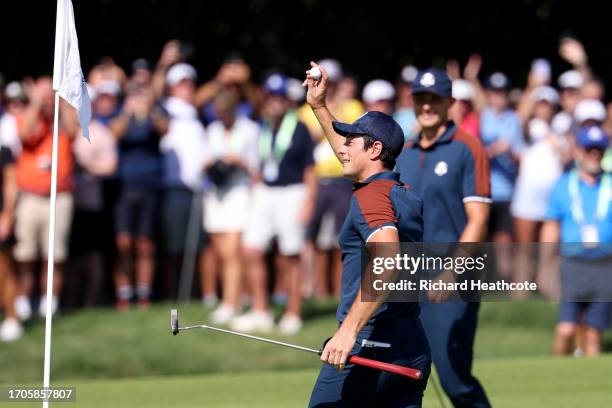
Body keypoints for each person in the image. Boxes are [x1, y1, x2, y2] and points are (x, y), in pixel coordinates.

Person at [304, 62, 430, 407]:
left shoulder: (371, 196)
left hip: (370, 345)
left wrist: (347, 332)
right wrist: (319, 106)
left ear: (374, 151)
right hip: (411, 346)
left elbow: (387, 260)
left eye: (351, 142)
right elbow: (352, 161)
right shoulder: (401, 192)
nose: (342, 148)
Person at [395, 68, 492, 407]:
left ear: (450, 102)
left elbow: (478, 221)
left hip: (452, 276)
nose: (426, 106)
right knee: (400, 374)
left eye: (434, 98)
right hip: (407, 277)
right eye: (420, 98)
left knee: (452, 376)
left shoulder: (468, 148)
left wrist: (451, 272)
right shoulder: (403, 152)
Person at [232, 74, 316, 335]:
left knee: (290, 255)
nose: (275, 101)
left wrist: (308, 202)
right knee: (251, 249)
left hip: (293, 193)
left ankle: (293, 312)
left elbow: (310, 170)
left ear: (287, 100)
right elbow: (262, 161)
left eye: (280, 97)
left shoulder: (299, 128)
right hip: (266, 192)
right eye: (271, 96)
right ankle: (261, 311)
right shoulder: (264, 126)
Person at [541, 125, 611, 356]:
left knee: (593, 332)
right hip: (573, 265)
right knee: (566, 330)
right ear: (578, 151)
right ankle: (552, 377)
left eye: (598, 150)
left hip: (605, 265)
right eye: (589, 149)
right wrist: (545, 266)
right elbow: (551, 227)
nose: (594, 155)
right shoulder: (563, 185)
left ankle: (589, 387)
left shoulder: (609, 184)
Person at [13, 77, 77, 319]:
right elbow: (25, 134)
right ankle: (22, 301)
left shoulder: (62, 121)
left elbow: (73, 130)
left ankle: (49, 303)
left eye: (50, 95)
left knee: (55, 255)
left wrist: (61, 100)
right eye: (44, 95)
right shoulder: (27, 117)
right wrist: (36, 104)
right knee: (26, 254)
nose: (47, 100)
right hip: (30, 197)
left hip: (59, 197)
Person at [109, 82, 168, 310]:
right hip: (125, 187)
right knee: (123, 242)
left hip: (150, 187)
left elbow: (165, 130)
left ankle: (144, 293)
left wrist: (151, 109)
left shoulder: (155, 115)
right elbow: (114, 133)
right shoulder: (122, 115)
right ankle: (124, 292)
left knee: (145, 243)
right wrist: (128, 111)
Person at [204, 90, 260, 324]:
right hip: (216, 191)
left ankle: (231, 303)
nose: (223, 116)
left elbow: (256, 166)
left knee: (232, 252)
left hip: (239, 191)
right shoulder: (213, 130)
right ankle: (232, 297)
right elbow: (206, 158)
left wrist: (239, 161)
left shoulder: (250, 129)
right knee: (220, 251)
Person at [159, 63, 208, 300]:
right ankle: (171, 295)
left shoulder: (196, 114)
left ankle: (194, 293)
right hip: (175, 187)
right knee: (174, 247)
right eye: (181, 84)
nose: (187, 88)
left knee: (196, 246)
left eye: (189, 83)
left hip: (198, 187)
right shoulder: (167, 109)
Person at [0, 140, 20, 341]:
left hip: (0, 217)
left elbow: (11, 183)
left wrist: (7, 215)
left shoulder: (3, 150)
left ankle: (12, 317)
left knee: (4, 270)